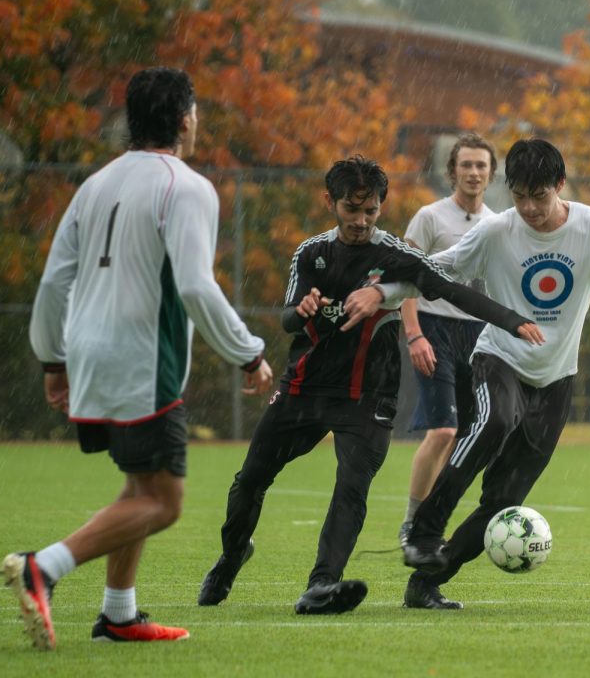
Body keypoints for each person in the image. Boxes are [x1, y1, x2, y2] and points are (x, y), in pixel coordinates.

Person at [365, 138, 590, 610]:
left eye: (538, 196)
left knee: (503, 500)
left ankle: (429, 578)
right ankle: (423, 532)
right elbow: (436, 269)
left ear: (559, 185)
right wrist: (382, 291)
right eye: (519, 196)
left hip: (557, 380)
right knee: (494, 421)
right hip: (498, 360)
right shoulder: (497, 232)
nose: (529, 208)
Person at [197, 155, 544, 615]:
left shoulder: (397, 257)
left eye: (371, 211)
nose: (361, 221)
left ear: (382, 206)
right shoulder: (311, 253)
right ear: (330, 202)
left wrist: (512, 319)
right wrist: (300, 311)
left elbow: (453, 290)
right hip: (305, 388)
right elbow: (285, 320)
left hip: (369, 398)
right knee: (250, 482)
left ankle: (322, 584)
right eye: (350, 209)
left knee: (351, 489)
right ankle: (233, 552)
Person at [1, 67, 274, 650]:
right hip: (142, 359)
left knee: (139, 488)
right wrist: (248, 353)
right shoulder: (187, 186)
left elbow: (53, 282)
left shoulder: (95, 183)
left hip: (88, 353)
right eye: (195, 112)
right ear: (183, 120)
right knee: (165, 502)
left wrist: (53, 359)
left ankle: (118, 615)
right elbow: (197, 288)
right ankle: (42, 568)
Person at [398, 133, 499, 547]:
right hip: (433, 327)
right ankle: (411, 523)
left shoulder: (496, 224)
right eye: (466, 165)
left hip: (476, 336)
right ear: (452, 171)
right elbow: (404, 278)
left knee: (467, 436)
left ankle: (430, 524)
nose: (473, 173)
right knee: (442, 430)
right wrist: (414, 334)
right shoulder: (430, 217)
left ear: (492, 174)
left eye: (481, 166)